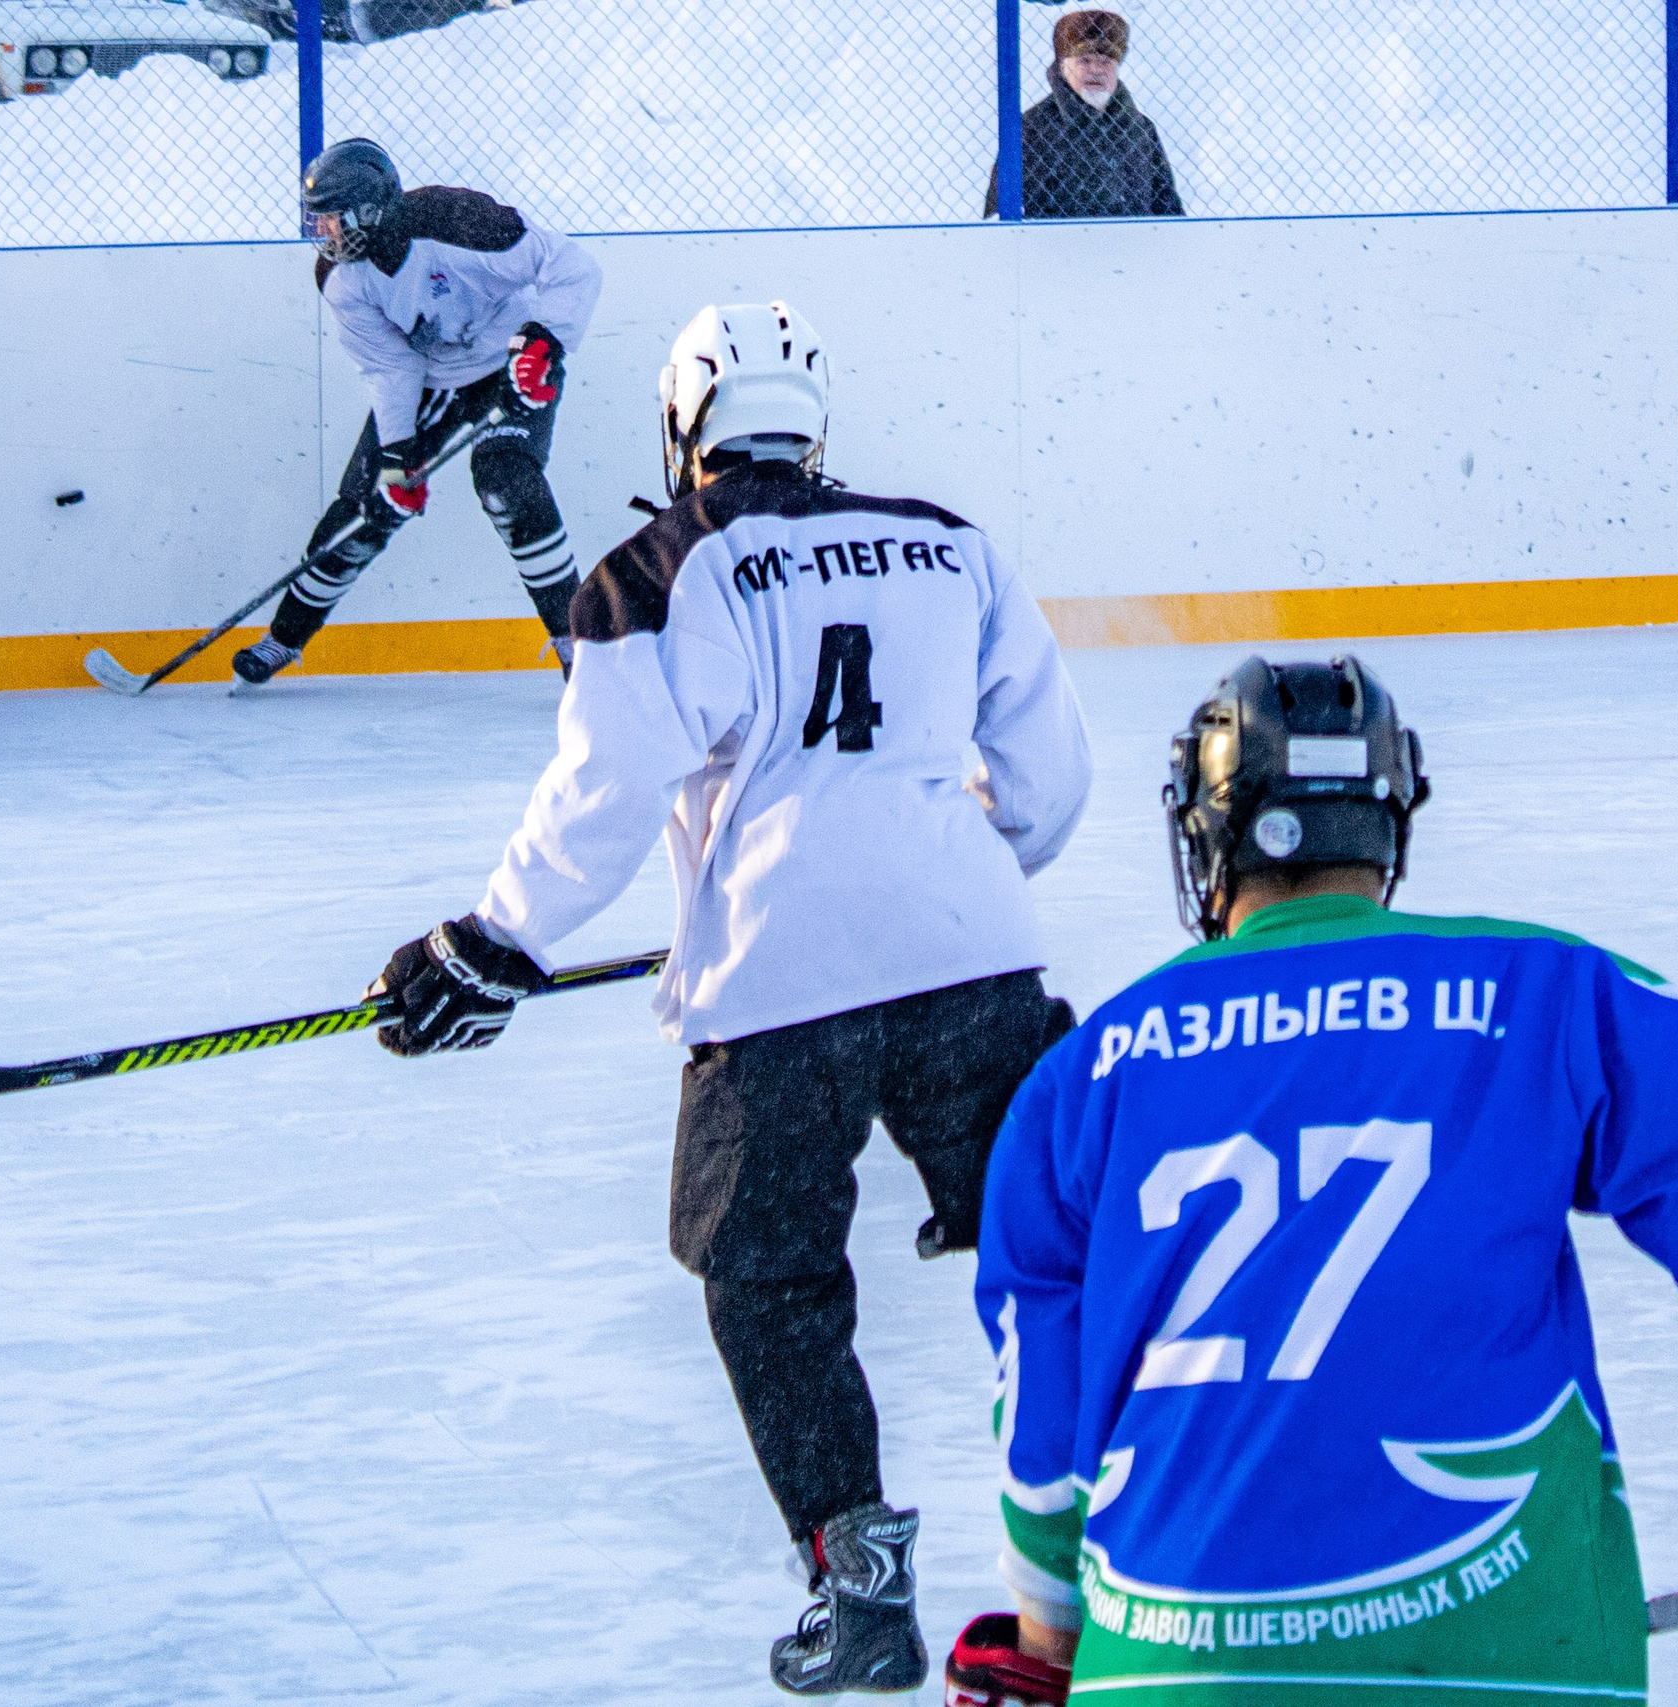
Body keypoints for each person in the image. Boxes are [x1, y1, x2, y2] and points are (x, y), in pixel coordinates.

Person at [364, 301, 1094, 1694]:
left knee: (768, 1281)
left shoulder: (656, 569)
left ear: (683, 423)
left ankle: (860, 1584)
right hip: (976, 956)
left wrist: (488, 943)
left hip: (776, 984)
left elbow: (607, 796)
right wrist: (931, 873)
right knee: (1054, 1243)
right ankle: (1138, 1537)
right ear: (812, 426)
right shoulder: (951, 539)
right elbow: (1048, 783)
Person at [941, 655, 1678, 1706]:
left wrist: (1047, 1636)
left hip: (1174, 1665)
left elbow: (1041, 1423)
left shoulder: (1082, 1076)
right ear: (1386, 819)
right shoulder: (1543, 990)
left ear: (1207, 831)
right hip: (1511, 1658)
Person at [231, 137, 602, 687]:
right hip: (433, 381)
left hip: (514, 362)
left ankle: (580, 648)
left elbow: (572, 267)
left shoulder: (463, 223)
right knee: (365, 508)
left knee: (506, 481)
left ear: (372, 207)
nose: (324, 231)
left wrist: (543, 342)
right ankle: (283, 640)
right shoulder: (341, 280)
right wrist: (399, 452)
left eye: (333, 217)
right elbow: (390, 368)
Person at [984, 10, 1185, 222]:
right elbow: (998, 216)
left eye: (1106, 62)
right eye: (1085, 61)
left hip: (1136, 251)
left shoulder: (1140, 128)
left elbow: (1168, 208)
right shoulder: (1033, 128)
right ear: (1063, 67)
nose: (1096, 70)